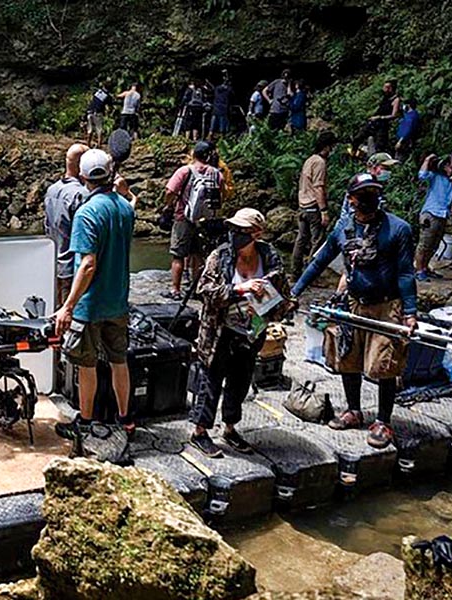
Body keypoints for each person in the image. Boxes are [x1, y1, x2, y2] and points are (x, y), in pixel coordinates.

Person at [291, 173, 417, 449]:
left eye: (373, 194)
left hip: (387, 304)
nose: (369, 200)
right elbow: (318, 263)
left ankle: (383, 421)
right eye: (363, 195)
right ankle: (353, 410)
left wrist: (410, 312)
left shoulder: (398, 229)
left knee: (384, 364)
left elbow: (407, 273)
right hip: (354, 301)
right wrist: (294, 293)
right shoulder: (343, 229)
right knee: (347, 356)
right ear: (351, 200)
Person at [189, 209, 291, 457]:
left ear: (256, 233)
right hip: (219, 330)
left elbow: (284, 294)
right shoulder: (220, 256)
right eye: (233, 229)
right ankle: (200, 432)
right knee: (210, 379)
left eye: (242, 231)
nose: (235, 235)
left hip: (252, 331)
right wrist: (239, 289)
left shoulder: (269, 257)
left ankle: (230, 427)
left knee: (240, 379)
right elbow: (204, 291)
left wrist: (272, 303)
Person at [53, 148, 136, 439]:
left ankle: (85, 422)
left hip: (90, 305)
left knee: (86, 365)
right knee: (119, 361)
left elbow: (87, 264)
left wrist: (68, 306)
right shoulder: (126, 208)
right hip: (118, 302)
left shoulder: (86, 213)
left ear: (82, 176)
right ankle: (125, 418)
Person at [164, 141, 225, 299]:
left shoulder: (185, 171)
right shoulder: (217, 174)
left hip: (183, 217)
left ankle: (175, 290)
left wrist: (168, 206)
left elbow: (170, 191)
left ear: (194, 154)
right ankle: (196, 289)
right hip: (205, 221)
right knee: (198, 255)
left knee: (178, 255)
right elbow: (222, 195)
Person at [44, 143, 90, 304]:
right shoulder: (81, 195)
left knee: (55, 311)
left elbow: (47, 226)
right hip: (72, 267)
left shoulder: (51, 189)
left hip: (52, 263)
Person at [414, 153, 452, 281]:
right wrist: (427, 159)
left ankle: (425, 268)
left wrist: (451, 175)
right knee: (425, 243)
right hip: (430, 212)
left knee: (434, 244)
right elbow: (422, 176)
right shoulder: (436, 175)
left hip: (444, 214)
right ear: (450, 160)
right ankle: (419, 270)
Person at [291, 132, 337, 280]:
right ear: (327, 146)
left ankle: (295, 272)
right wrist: (324, 210)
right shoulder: (320, 163)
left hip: (303, 206)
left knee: (301, 240)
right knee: (317, 242)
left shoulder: (309, 160)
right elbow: (318, 187)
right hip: (313, 207)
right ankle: (310, 275)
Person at [367, 80, 401, 153]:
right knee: (360, 137)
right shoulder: (385, 97)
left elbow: (394, 115)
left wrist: (380, 117)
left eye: (386, 87)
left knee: (380, 145)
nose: (384, 89)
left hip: (383, 125)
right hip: (374, 122)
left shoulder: (395, 100)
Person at [86, 80, 112, 147]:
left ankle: (88, 144)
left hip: (90, 111)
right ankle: (99, 144)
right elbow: (110, 105)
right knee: (99, 129)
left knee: (90, 129)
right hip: (97, 113)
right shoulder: (107, 96)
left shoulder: (98, 92)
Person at [209, 73, 233, 138]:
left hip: (216, 108)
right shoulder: (229, 90)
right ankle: (222, 137)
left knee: (212, 125)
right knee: (222, 125)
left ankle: (210, 136)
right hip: (224, 109)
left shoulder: (217, 89)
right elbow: (232, 97)